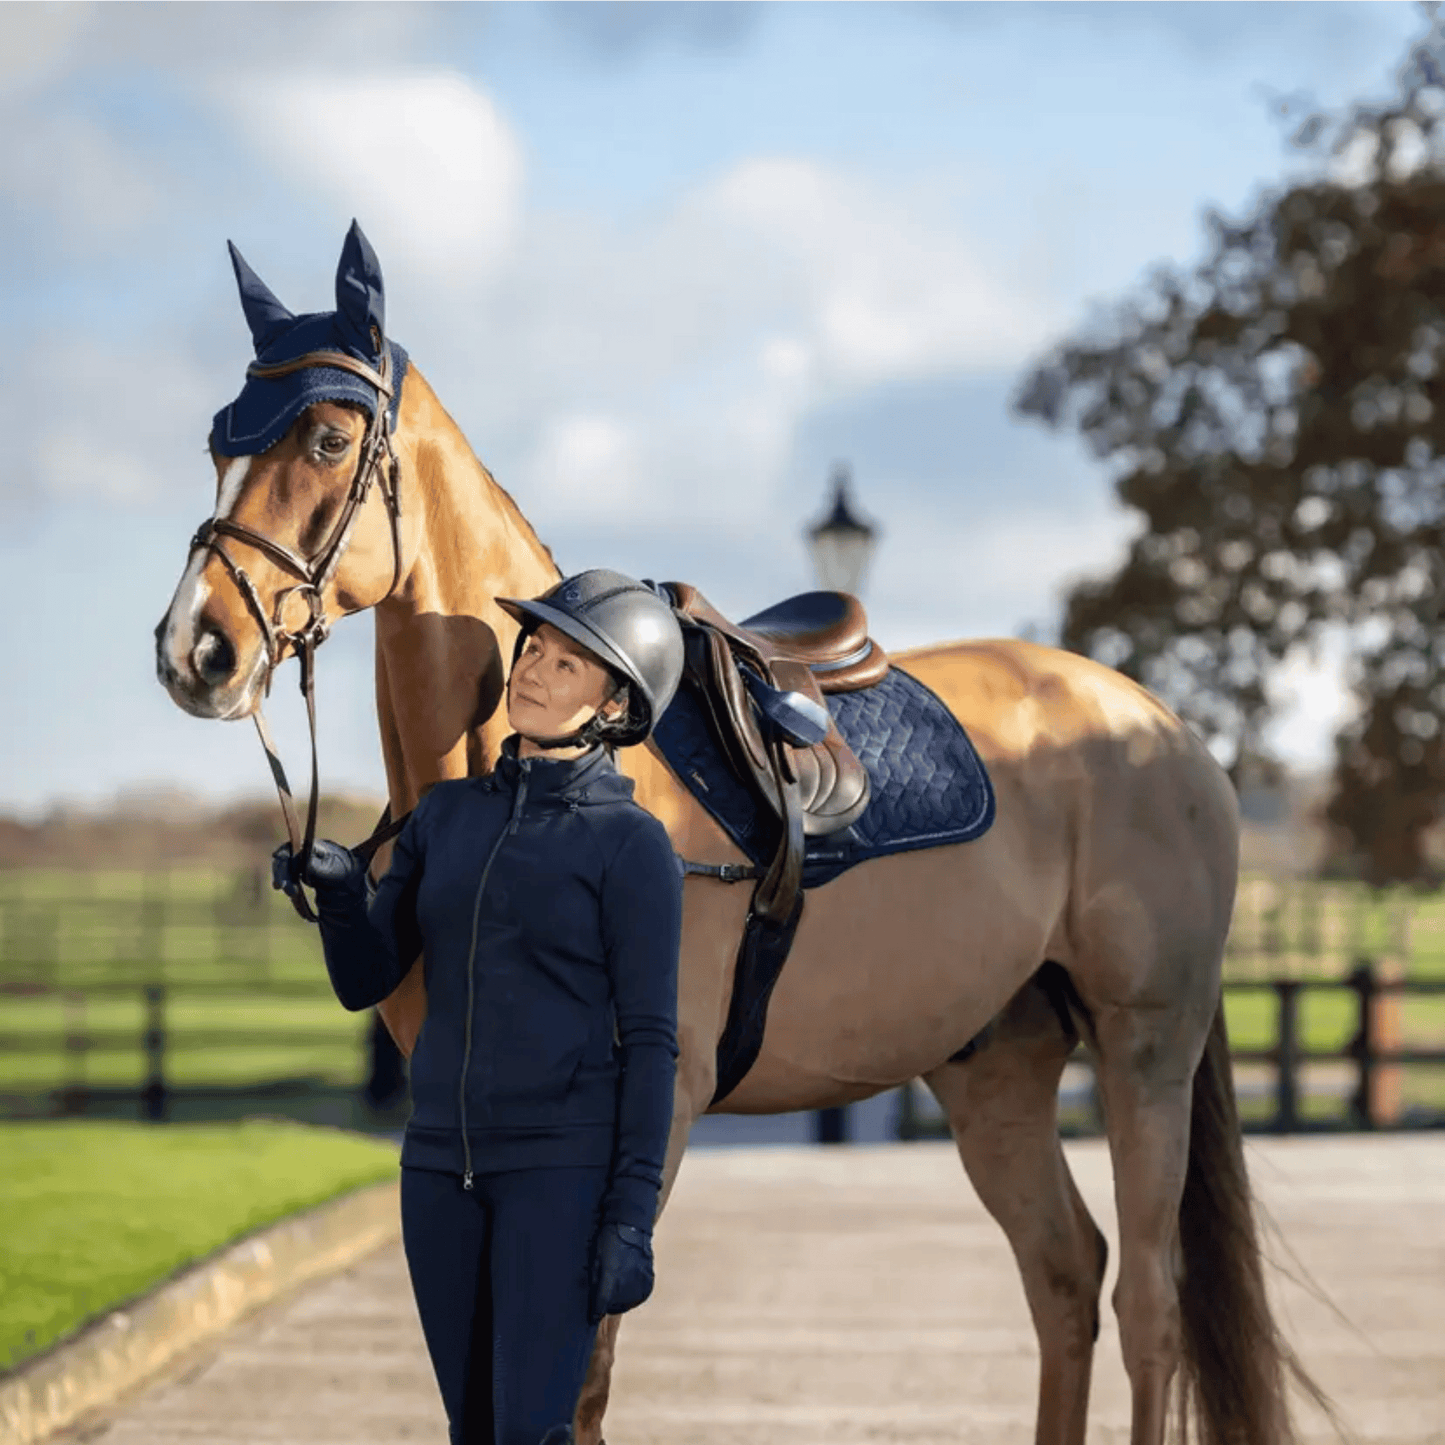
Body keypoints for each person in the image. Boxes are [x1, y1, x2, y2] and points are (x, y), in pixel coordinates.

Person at [272, 569, 687, 1445]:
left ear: (615, 704)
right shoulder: (445, 817)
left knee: (532, 1432)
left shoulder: (631, 845)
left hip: (559, 1177)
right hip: (436, 1175)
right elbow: (366, 979)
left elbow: (652, 1045)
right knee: (472, 1432)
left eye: (568, 663)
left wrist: (629, 1217)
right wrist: (344, 896)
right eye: (533, 647)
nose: (533, 669)